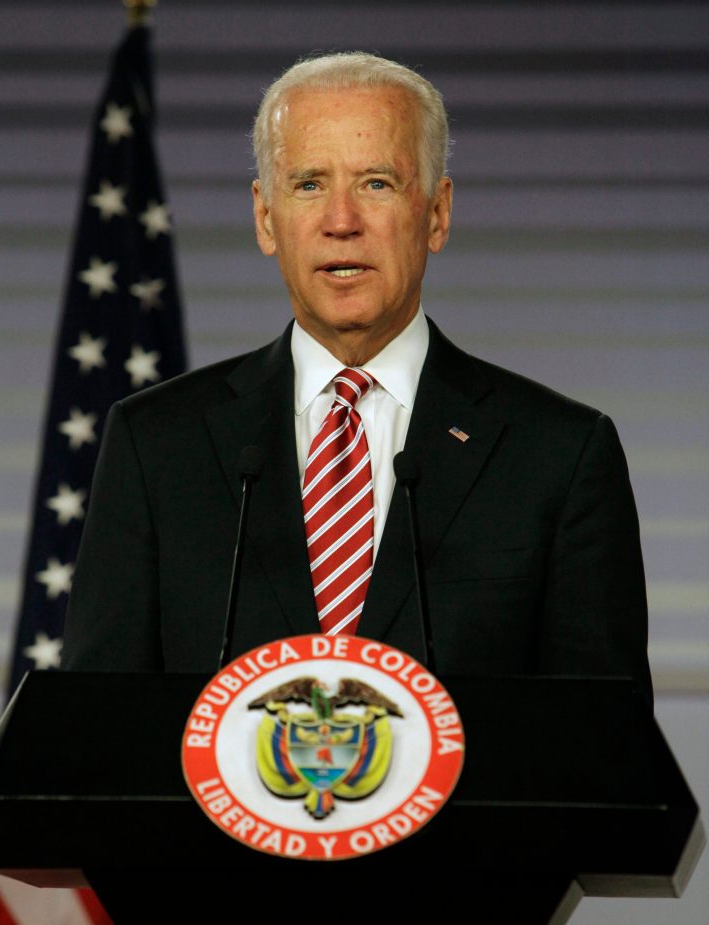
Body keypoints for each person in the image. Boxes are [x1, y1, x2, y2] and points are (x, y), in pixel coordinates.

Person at [62, 52, 651, 704]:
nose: (341, 220)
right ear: (265, 217)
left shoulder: (560, 456)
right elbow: (96, 737)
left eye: (376, 183)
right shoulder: (156, 445)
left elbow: (606, 760)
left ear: (436, 213)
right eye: (309, 184)